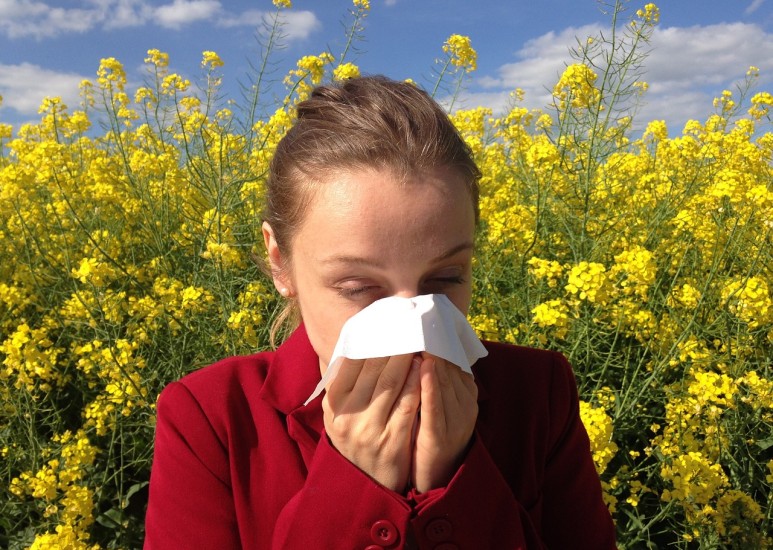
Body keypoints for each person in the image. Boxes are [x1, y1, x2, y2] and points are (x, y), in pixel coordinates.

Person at [143, 75, 616, 549]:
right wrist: (354, 485)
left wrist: (455, 479)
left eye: (445, 279)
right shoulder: (212, 420)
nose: (413, 326)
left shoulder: (536, 394)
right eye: (359, 287)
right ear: (280, 263)